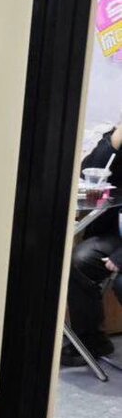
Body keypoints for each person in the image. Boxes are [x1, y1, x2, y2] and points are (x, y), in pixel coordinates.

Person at [63, 117, 122, 366]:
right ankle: (91, 342)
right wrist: (114, 141)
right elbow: (90, 170)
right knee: (81, 260)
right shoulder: (115, 138)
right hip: (116, 233)